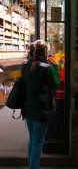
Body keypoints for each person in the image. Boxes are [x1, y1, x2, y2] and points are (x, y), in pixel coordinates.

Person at [21, 40, 60, 169]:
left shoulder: (25, 65)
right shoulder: (47, 68)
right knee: (38, 143)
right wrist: (55, 67)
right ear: (44, 52)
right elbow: (56, 84)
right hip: (41, 109)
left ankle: (32, 166)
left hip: (28, 107)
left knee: (32, 140)